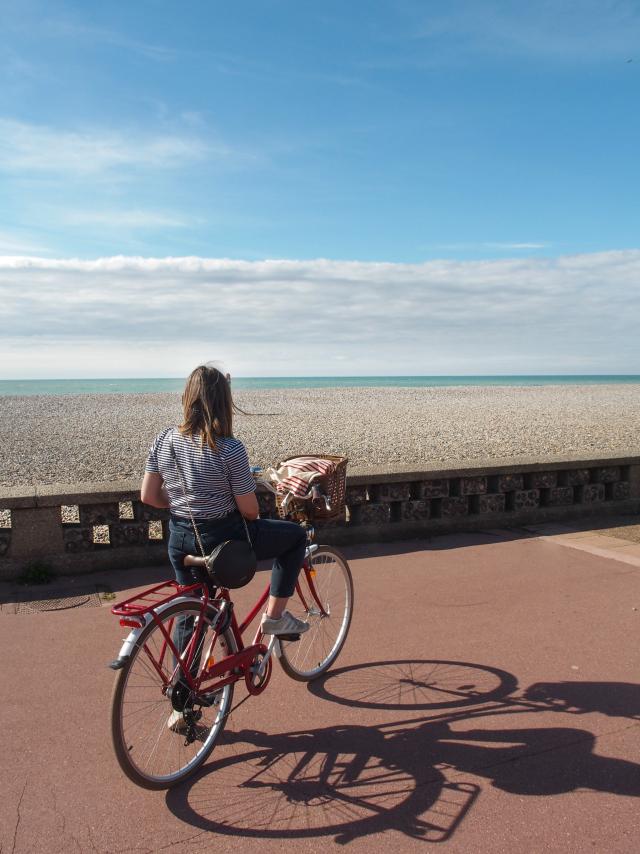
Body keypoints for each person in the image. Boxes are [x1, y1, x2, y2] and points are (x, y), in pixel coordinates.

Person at [141, 363, 309, 637]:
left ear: (186, 398)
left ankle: (182, 680)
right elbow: (251, 512)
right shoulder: (230, 448)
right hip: (223, 539)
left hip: (180, 538)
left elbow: (149, 496)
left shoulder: (164, 439)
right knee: (296, 538)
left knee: (191, 609)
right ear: (224, 403)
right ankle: (275, 618)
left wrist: (187, 501)